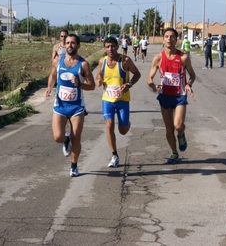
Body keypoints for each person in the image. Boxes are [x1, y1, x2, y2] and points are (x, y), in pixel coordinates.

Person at [45, 34, 95, 177]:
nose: (70, 45)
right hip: (60, 105)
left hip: (76, 107)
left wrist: (80, 84)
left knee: (77, 138)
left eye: (73, 43)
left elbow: (92, 86)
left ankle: (74, 166)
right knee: (57, 136)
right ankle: (65, 140)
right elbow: (53, 75)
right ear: (64, 45)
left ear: (78, 45)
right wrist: (49, 87)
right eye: (67, 43)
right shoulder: (58, 61)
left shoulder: (83, 64)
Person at [147, 27, 196, 164]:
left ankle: (181, 134)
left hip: (179, 95)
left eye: (172, 36)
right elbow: (149, 78)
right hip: (165, 96)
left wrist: (188, 84)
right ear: (163, 39)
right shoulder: (158, 58)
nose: (169, 38)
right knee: (169, 129)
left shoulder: (183, 57)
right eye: (167, 36)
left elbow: (192, 74)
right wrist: (153, 85)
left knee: (178, 125)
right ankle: (174, 153)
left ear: (176, 40)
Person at [96, 36, 141, 168]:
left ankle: (126, 123)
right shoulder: (102, 61)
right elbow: (99, 75)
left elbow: (137, 74)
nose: (110, 49)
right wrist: (99, 80)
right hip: (107, 100)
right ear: (104, 48)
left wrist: (129, 84)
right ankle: (114, 155)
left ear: (118, 46)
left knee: (122, 131)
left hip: (122, 100)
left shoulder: (125, 61)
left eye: (113, 46)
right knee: (109, 125)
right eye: (108, 46)